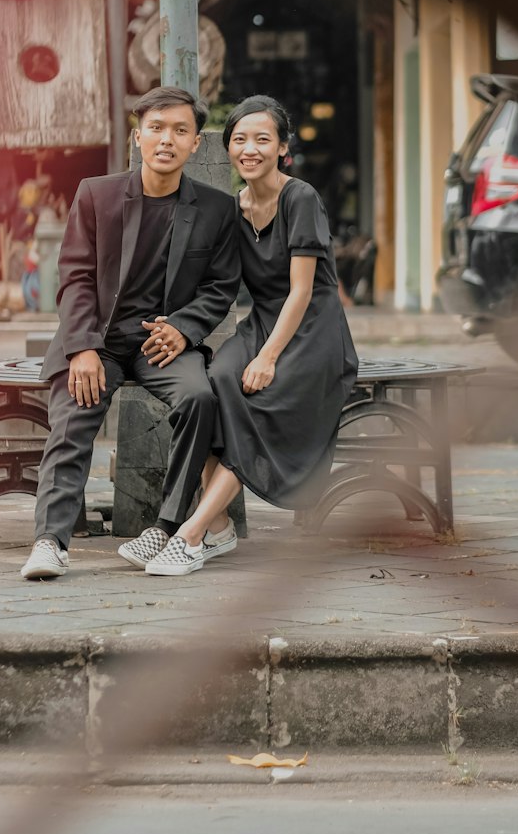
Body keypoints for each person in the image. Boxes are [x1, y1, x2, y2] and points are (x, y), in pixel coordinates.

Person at [19, 86, 240, 581]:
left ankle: (167, 526)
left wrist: (184, 329)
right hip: (97, 339)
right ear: (138, 137)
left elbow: (221, 286)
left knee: (199, 399)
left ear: (195, 144)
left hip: (163, 343)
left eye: (180, 130)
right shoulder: (96, 194)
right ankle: (50, 542)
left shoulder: (216, 210)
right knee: (75, 416)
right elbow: (74, 277)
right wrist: (81, 348)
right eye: (157, 129)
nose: (167, 140)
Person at [145, 94, 358, 576]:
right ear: (228, 149)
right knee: (215, 378)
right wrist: (174, 323)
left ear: (283, 148)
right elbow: (215, 279)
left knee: (256, 399)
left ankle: (192, 532)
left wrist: (266, 358)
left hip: (312, 330)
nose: (250, 149)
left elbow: (302, 292)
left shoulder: (299, 198)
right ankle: (218, 524)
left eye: (263, 139)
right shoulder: (232, 207)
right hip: (262, 320)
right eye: (240, 139)